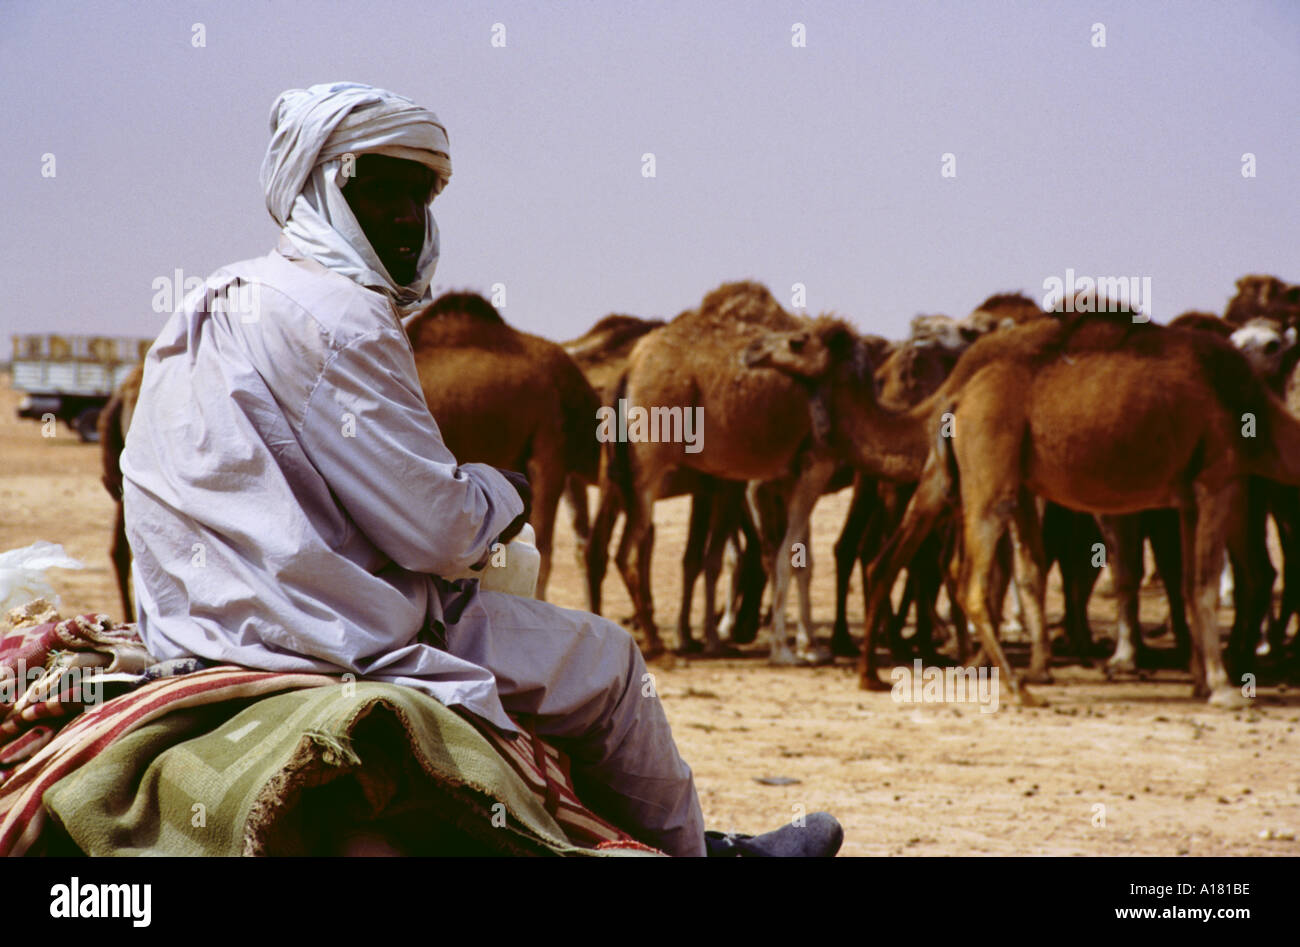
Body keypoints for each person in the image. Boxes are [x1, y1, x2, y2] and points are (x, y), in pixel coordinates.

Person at [121, 81, 841, 858]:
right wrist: (505, 492)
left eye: (419, 194)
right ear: (321, 188)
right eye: (381, 192)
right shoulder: (343, 312)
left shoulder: (204, 302)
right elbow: (440, 530)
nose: (406, 216)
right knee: (609, 663)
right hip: (323, 632)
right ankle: (694, 852)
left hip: (193, 626)